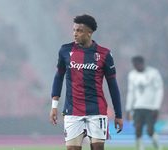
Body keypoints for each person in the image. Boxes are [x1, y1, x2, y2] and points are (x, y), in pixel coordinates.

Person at [50, 14, 123, 150]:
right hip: (72, 110)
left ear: (90, 33)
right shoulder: (65, 50)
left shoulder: (104, 54)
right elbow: (58, 77)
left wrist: (118, 114)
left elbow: (112, 85)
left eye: (79, 31)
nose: (75, 34)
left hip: (96, 110)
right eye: (74, 30)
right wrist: (54, 105)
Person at [125, 56, 163, 150]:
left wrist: (157, 106)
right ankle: (141, 148)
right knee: (138, 128)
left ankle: (158, 146)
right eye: (134, 66)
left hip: (151, 106)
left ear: (142, 64)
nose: (136, 68)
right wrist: (128, 109)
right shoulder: (132, 75)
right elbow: (131, 92)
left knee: (150, 131)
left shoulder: (154, 73)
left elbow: (159, 90)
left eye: (137, 65)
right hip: (138, 106)